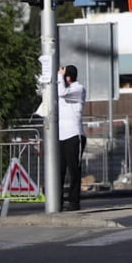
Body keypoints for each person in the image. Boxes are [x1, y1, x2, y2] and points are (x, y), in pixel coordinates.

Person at [57, 65, 87, 211]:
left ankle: (74, 202)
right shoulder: (62, 87)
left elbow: (62, 93)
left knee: (74, 170)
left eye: (64, 75)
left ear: (68, 77)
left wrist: (59, 76)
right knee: (59, 170)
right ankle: (58, 201)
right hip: (61, 136)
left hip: (74, 135)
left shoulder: (78, 89)